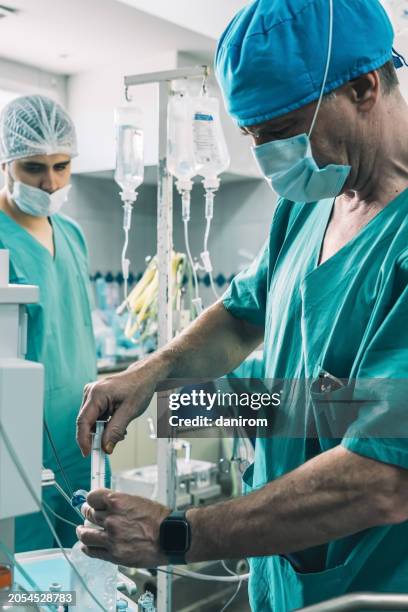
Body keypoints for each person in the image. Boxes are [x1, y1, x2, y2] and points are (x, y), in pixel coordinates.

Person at [76, 0, 408, 610]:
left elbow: (385, 477)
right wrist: (152, 374)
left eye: (280, 133)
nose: (265, 157)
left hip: (372, 585)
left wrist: (175, 534)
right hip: (283, 576)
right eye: (252, 136)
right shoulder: (309, 203)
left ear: (362, 88)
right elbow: (241, 316)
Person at [0, 94, 98, 552]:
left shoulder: (73, 234)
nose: (51, 182)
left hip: (79, 433)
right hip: (18, 440)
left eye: (61, 166)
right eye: (33, 168)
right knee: (24, 580)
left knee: (81, 569)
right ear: (6, 163)